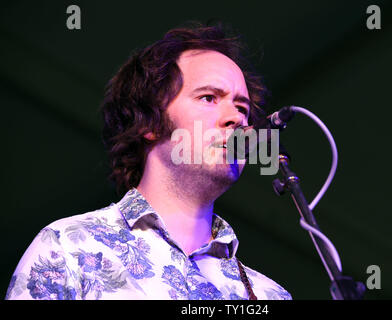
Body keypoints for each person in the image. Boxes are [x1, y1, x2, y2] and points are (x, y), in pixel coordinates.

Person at [5, 22, 292, 300]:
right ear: (150, 123)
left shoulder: (268, 295)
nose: (236, 119)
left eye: (242, 107)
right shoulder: (68, 249)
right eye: (208, 98)